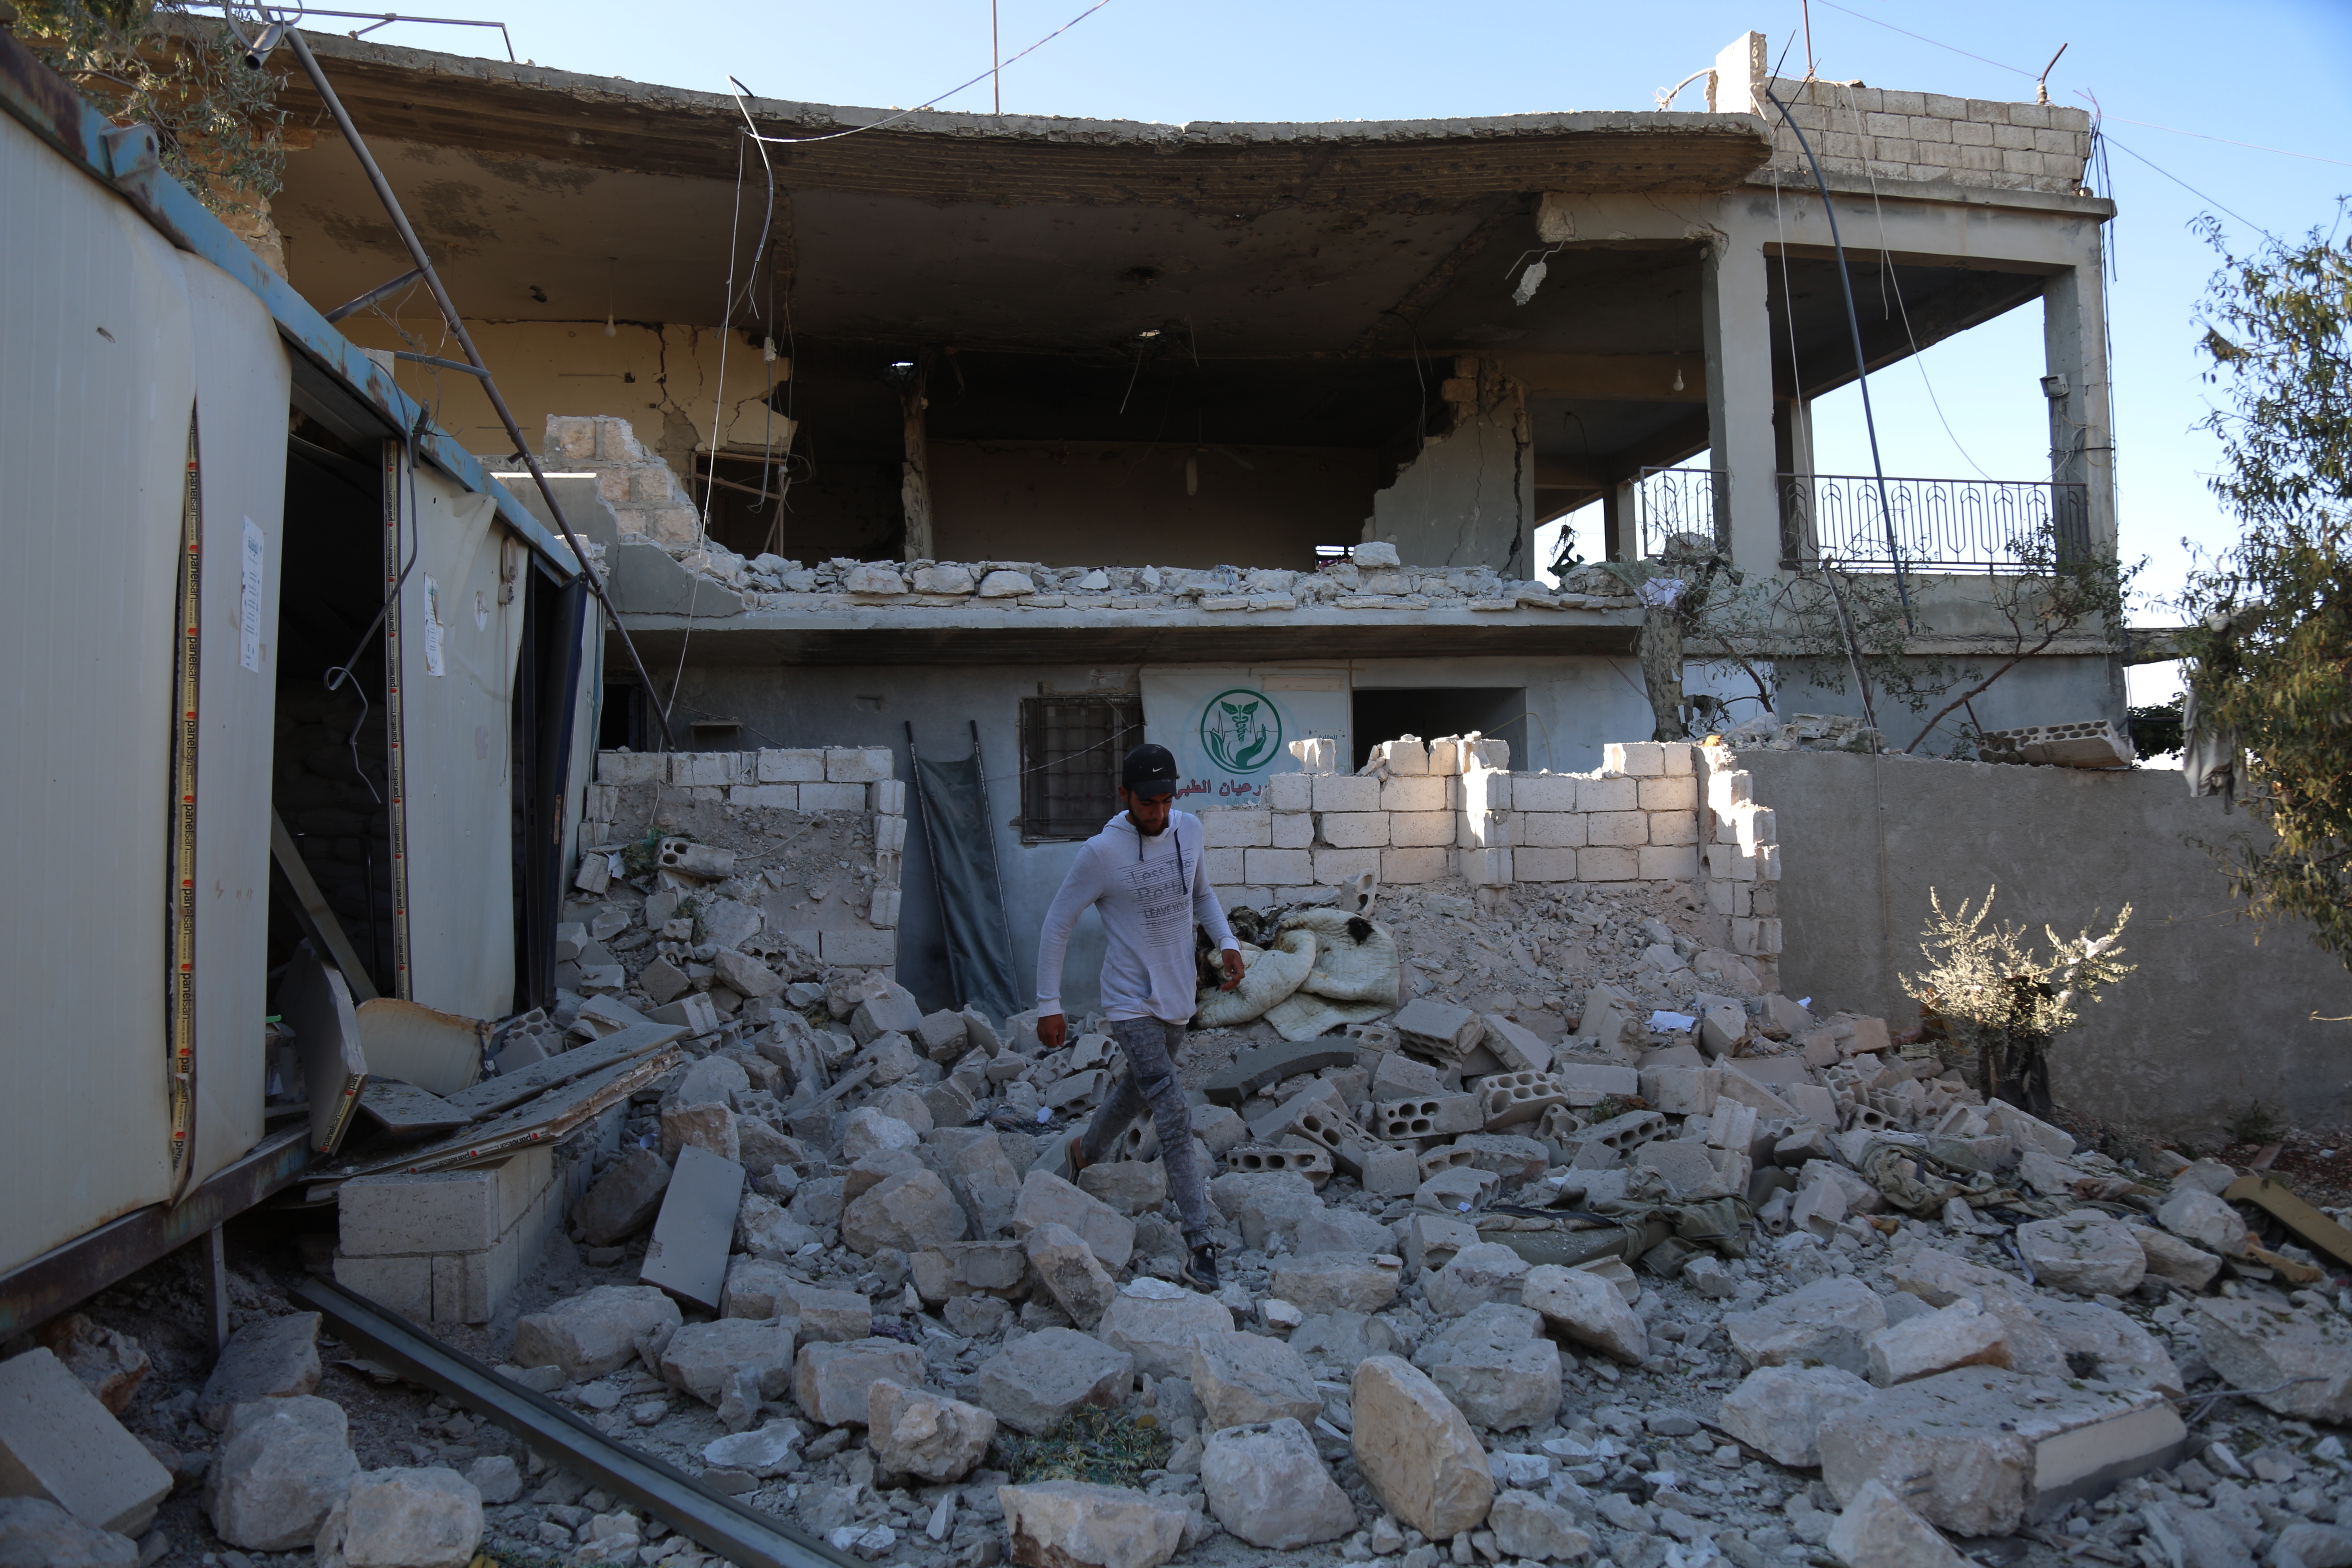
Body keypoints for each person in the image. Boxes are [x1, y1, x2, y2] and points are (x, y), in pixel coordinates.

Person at [1034, 742, 1243, 1291]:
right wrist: (1048, 1004)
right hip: (1128, 1003)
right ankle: (1199, 1241)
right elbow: (1058, 924)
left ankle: (1085, 1151)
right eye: (1147, 803)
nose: (1158, 813)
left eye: (1166, 802)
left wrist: (1227, 941)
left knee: (1138, 1090)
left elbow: (1203, 894)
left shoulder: (1189, 831)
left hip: (1178, 997)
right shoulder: (1101, 854)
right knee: (1172, 1112)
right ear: (1124, 796)